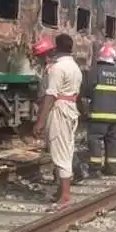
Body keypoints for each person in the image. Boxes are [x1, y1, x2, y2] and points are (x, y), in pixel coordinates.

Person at [32, 34, 83, 208]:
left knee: (60, 152)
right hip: (70, 109)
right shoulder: (75, 67)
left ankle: (65, 196)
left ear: (56, 47)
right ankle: (61, 191)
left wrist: (39, 121)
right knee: (66, 149)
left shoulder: (57, 68)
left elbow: (50, 95)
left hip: (59, 110)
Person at [81, 43, 116, 177]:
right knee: (112, 141)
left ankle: (95, 169)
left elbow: (87, 91)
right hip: (115, 115)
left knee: (95, 139)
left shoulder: (95, 71)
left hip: (98, 114)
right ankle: (112, 168)